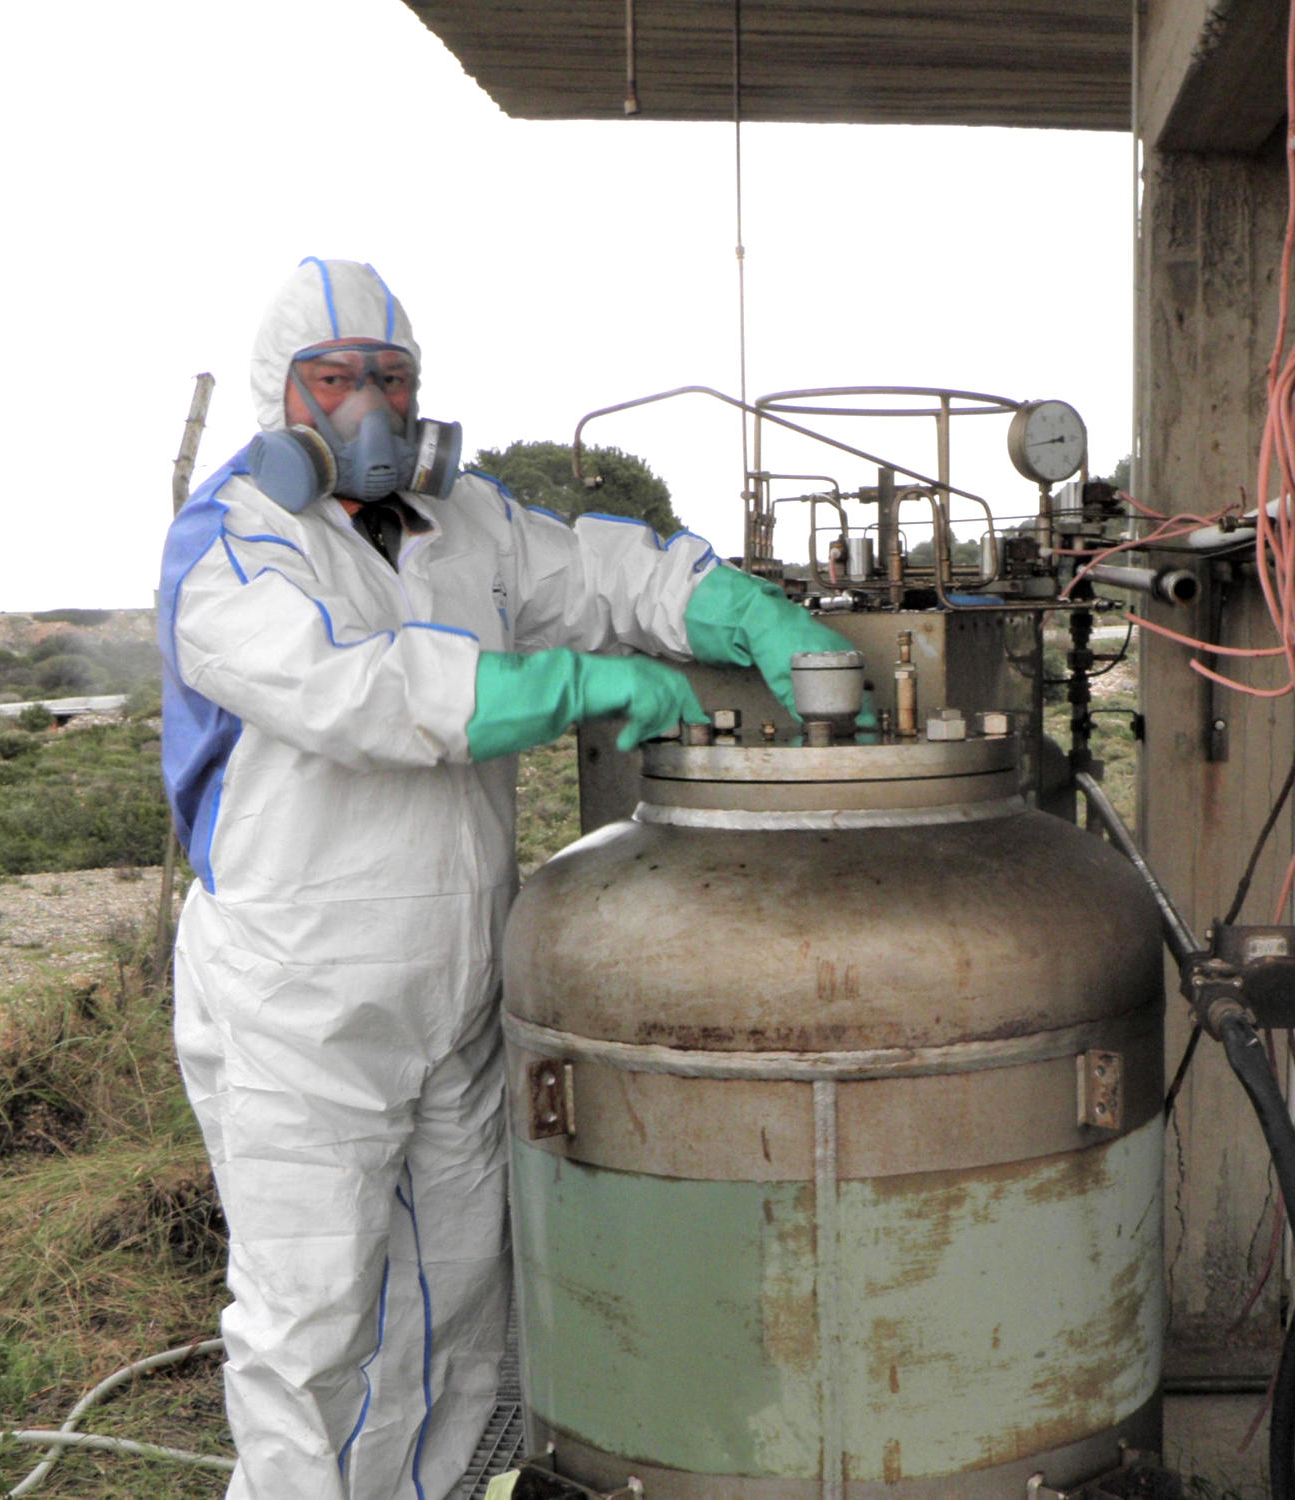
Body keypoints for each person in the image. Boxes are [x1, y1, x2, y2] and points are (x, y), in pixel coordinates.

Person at [157, 258, 851, 1500]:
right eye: (336, 379)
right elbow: (356, 691)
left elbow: (598, 572)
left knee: (457, 1315)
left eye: (393, 378)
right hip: (300, 1001)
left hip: (456, 987)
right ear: (282, 396)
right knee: (309, 1321)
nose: (370, 408)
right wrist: (575, 686)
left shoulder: (461, 519)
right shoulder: (232, 542)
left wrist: (735, 609)